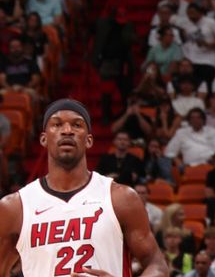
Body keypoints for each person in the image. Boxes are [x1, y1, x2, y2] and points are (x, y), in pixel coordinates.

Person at [0, 99, 168, 275]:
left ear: (89, 141)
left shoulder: (121, 198)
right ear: (43, 138)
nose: (67, 131)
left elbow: (157, 266)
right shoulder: (15, 207)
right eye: (57, 125)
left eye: (77, 125)